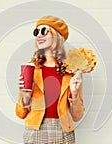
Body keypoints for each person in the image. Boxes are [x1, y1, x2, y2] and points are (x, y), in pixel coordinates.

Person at [15, 15, 84, 144]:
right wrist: (25, 97)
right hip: (35, 131)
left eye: (43, 31)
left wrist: (74, 94)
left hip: (64, 131)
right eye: (36, 32)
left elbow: (77, 116)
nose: (39, 36)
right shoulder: (30, 69)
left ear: (57, 35)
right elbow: (20, 114)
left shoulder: (71, 69)